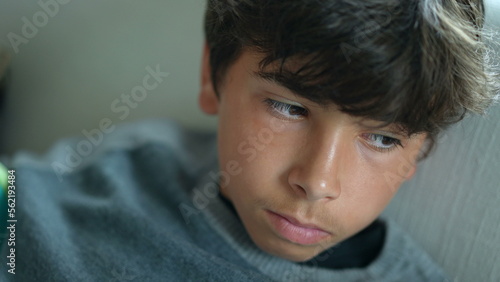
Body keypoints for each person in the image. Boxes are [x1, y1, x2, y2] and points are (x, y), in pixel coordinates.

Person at [1, 0, 498, 281]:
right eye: (287, 108)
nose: (317, 181)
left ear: (421, 151)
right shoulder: (135, 162)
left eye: (383, 139)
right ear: (210, 76)